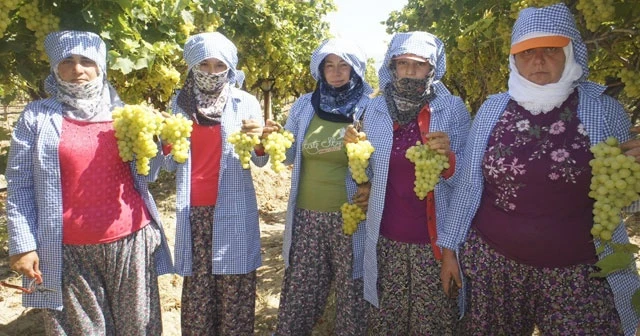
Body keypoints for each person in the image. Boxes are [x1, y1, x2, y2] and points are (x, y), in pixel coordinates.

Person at [438, 3, 640, 335]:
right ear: (514, 60)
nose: (539, 60)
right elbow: (469, 188)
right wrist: (450, 250)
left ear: (571, 53)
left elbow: (624, 201)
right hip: (495, 268)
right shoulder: (492, 110)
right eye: (527, 52)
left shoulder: (604, 111)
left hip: (581, 275)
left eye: (551, 49)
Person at [5, 30, 173, 335]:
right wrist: (23, 245)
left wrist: (159, 141)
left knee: (138, 328)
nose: (77, 69)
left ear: (101, 67)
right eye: (67, 60)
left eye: (87, 60)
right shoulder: (36, 117)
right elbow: (19, 185)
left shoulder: (125, 115)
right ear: (55, 68)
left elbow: (148, 173)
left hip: (130, 242)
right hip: (67, 250)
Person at [345, 31, 470, 334]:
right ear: (393, 67)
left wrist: (449, 159)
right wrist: (355, 154)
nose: (410, 72)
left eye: (419, 65)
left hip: (434, 245)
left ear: (432, 69)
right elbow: (367, 174)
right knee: (388, 323)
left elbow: (470, 180)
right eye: (403, 64)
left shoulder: (452, 109)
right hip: (387, 241)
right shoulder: (373, 110)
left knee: (433, 325)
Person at [165, 32, 272, 335]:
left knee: (234, 291)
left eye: (218, 66)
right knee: (199, 293)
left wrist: (261, 141)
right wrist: (164, 143)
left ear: (229, 68)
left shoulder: (246, 102)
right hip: (194, 213)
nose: (211, 72)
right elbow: (171, 162)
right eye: (204, 64)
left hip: (234, 208)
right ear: (192, 66)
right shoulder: (180, 103)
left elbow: (260, 160)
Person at [274, 38, 373, 336]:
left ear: (356, 69)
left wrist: (367, 179)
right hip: (307, 217)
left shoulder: (370, 107)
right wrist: (273, 139)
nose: (337, 72)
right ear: (320, 70)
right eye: (329, 65)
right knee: (300, 293)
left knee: (350, 297)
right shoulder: (306, 104)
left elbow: (377, 162)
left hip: (350, 219)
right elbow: (289, 153)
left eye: (344, 65)